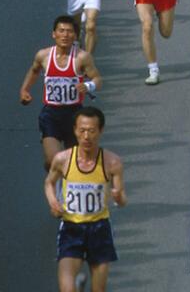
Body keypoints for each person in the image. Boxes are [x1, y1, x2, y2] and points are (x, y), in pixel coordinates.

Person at [45, 107, 127, 292]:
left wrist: (118, 195)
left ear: (101, 131)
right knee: (66, 289)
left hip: (99, 229)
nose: (86, 136)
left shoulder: (112, 162)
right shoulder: (62, 159)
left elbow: (122, 201)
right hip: (71, 228)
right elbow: (49, 183)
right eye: (82, 131)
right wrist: (53, 201)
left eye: (91, 131)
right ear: (74, 130)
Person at [19, 16, 102, 171]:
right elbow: (34, 71)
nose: (65, 35)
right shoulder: (43, 56)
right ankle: (52, 172)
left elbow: (97, 78)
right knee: (54, 160)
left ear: (75, 36)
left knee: (75, 163)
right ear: (54, 34)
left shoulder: (82, 57)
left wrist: (88, 85)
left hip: (75, 115)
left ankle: (66, 189)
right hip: (51, 113)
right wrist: (24, 90)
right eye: (61, 31)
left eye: (69, 32)